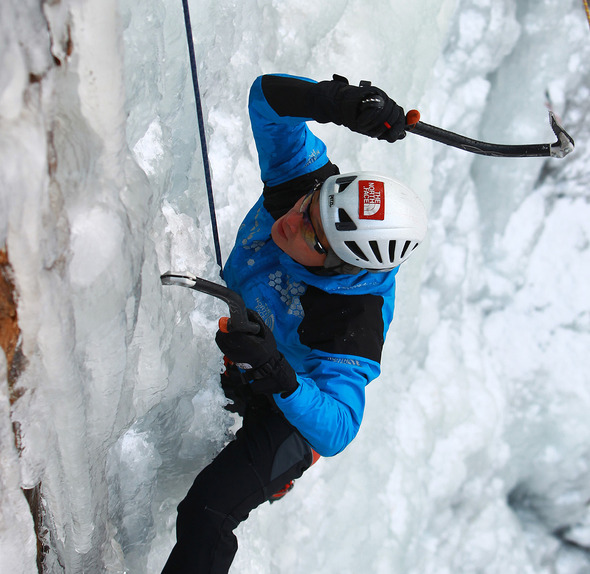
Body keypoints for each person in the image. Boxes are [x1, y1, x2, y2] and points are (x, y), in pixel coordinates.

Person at [162, 73, 428, 573]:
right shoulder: (302, 190)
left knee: (206, 512)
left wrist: (277, 372)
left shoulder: (350, 322)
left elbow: (338, 428)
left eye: (314, 235)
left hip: (290, 410)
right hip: (253, 353)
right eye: (313, 206)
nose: (294, 219)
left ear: (340, 266)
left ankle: (275, 469)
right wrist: (336, 102)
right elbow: (265, 98)